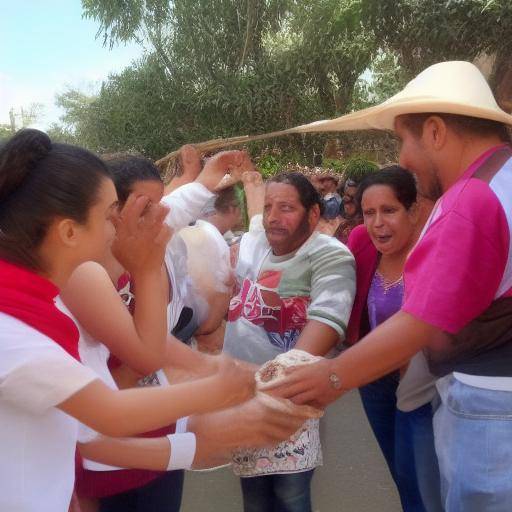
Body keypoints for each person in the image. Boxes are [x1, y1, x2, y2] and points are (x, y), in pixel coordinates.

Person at [266, 61, 512, 511]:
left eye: (403, 140)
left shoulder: (470, 198)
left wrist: (331, 376)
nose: (402, 159)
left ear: (435, 131)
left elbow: (421, 320)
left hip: (490, 409)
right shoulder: (501, 179)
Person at [0, 129, 255, 512]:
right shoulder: (17, 326)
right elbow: (110, 413)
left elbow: (66, 434)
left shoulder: (35, 301)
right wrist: (223, 387)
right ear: (69, 231)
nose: (115, 227)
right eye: (108, 215)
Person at [223, 172, 356, 512]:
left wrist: (270, 384)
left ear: (313, 214)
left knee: (291, 498)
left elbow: (327, 321)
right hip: (239, 398)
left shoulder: (331, 255)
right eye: (268, 207)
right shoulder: (254, 243)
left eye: (286, 208)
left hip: (292, 401)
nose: (272, 217)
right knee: (252, 498)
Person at [347, 166, 441, 512]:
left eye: (389, 210)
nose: (376, 223)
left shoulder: (436, 251)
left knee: (422, 480)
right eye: (369, 212)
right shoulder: (360, 243)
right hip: (374, 380)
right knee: (400, 474)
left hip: (421, 382)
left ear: (413, 211)